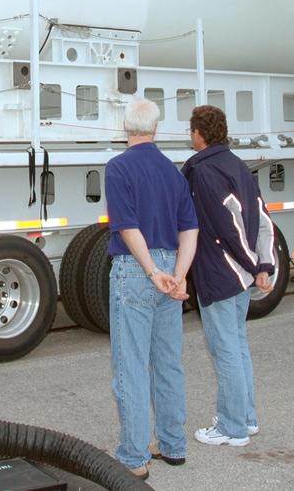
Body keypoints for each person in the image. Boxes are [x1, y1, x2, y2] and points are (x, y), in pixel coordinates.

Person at [104, 98, 198, 478]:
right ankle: (172, 445)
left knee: (131, 366)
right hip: (170, 270)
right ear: (156, 129)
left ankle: (133, 457)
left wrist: (150, 271)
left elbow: (127, 227)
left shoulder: (118, 168)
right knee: (168, 363)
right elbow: (189, 228)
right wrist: (178, 274)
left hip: (135, 270)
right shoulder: (174, 173)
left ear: (125, 128)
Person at [182, 105, 274, 449]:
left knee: (225, 352)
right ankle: (246, 417)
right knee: (237, 347)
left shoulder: (204, 173)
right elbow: (262, 219)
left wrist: (253, 265)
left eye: (191, 131)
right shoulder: (238, 166)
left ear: (198, 134)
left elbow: (227, 227)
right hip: (240, 277)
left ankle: (232, 427)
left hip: (221, 274)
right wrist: (264, 264)